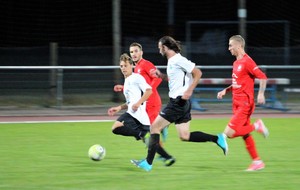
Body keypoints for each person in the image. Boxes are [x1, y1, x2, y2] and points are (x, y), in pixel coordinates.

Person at [131, 36, 228, 172]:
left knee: (154, 128)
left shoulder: (178, 59)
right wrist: (161, 75)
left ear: (165, 47)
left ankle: (148, 163)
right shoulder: (172, 61)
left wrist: (189, 90)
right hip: (182, 103)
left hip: (178, 102)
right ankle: (217, 139)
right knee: (185, 136)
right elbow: (173, 79)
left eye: (160, 48)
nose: (159, 51)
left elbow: (198, 73)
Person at [114, 43, 175, 166]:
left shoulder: (145, 64)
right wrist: (124, 87)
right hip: (144, 104)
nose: (134, 54)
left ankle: (162, 155)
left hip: (151, 102)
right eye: (131, 52)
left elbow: (157, 78)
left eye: (136, 51)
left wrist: (147, 91)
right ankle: (162, 155)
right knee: (146, 133)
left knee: (150, 132)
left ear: (141, 52)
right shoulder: (135, 68)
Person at [217, 35, 269, 171]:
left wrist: (261, 93)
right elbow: (237, 83)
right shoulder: (236, 63)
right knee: (244, 134)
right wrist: (226, 90)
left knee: (229, 133)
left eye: (230, 45)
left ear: (239, 46)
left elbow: (263, 77)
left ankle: (257, 125)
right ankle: (257, 162)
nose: (229, 49)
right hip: (236, 103)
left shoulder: (248, 62)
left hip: (245, 103)